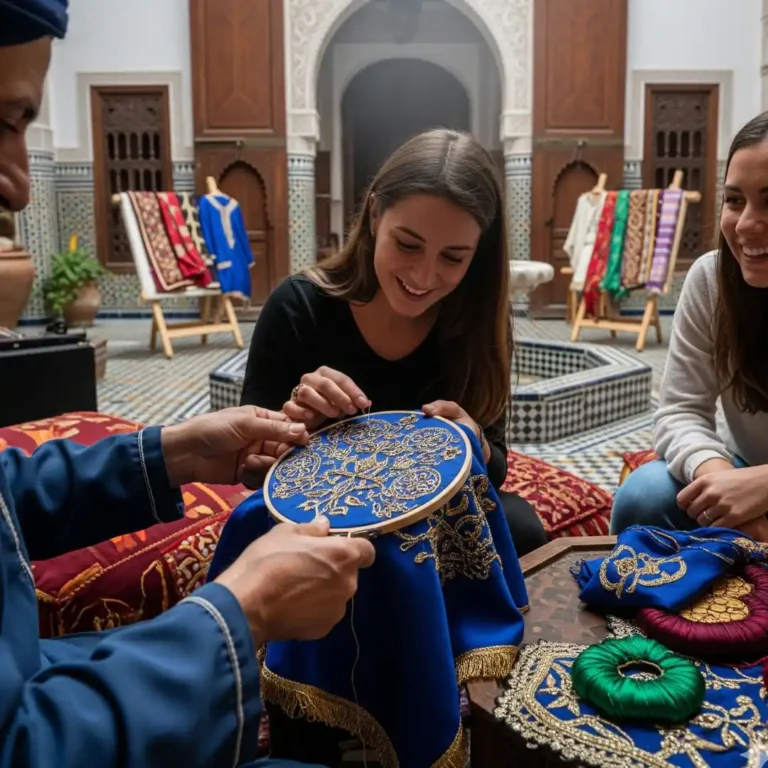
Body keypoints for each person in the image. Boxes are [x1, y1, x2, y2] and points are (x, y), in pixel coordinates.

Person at [0, 3, 376, 766]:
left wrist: (167, 453)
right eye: (2, 121)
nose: (19, 185)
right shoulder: (303, 306)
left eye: (23, 128)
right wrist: (242, 612)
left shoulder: (473, 323)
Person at [240, 128, 547, 558]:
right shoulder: (299, 307)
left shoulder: (477, 321)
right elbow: (251, 471)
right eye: (407, 244)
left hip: (434, 515)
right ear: (373, 215)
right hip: (323, 520)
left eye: (453, 257)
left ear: (478, 253)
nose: (423, 276)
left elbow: (493, 470)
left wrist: (472, 439)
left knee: (522, 528)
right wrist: (292, 429)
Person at [611, 111, 768, 543]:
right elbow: (681, 410)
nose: (748, 224)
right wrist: (721, 487)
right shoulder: (713, 281)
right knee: (644, 496)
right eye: (735, 200)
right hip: (743, 473)